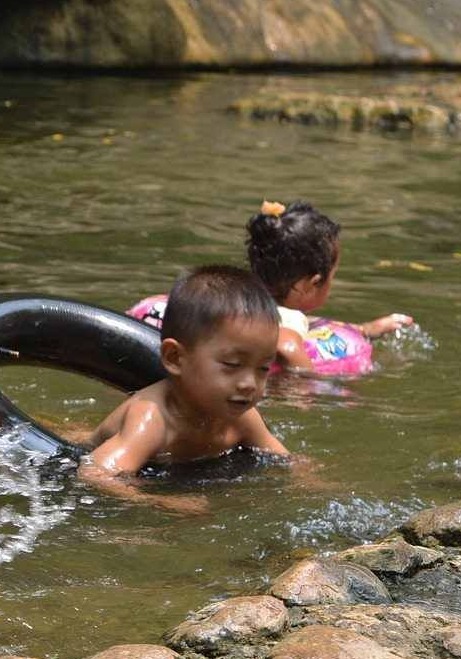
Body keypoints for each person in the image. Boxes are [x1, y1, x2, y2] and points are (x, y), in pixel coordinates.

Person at [80, 265, 286, 495]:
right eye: (233, 364)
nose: (249, 383)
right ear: (175, 358)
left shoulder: (243, 418)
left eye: (263, 368)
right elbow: (95, 473)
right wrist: (167, 504)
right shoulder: (153, 419)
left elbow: (287, 463)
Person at [245, 200, 412, 373]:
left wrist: (365, 329)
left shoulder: (248, 302)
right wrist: (308, 386)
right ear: (313, 283)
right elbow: (286, 346)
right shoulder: (290, 319)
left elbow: (309, 322)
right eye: (332, 276)